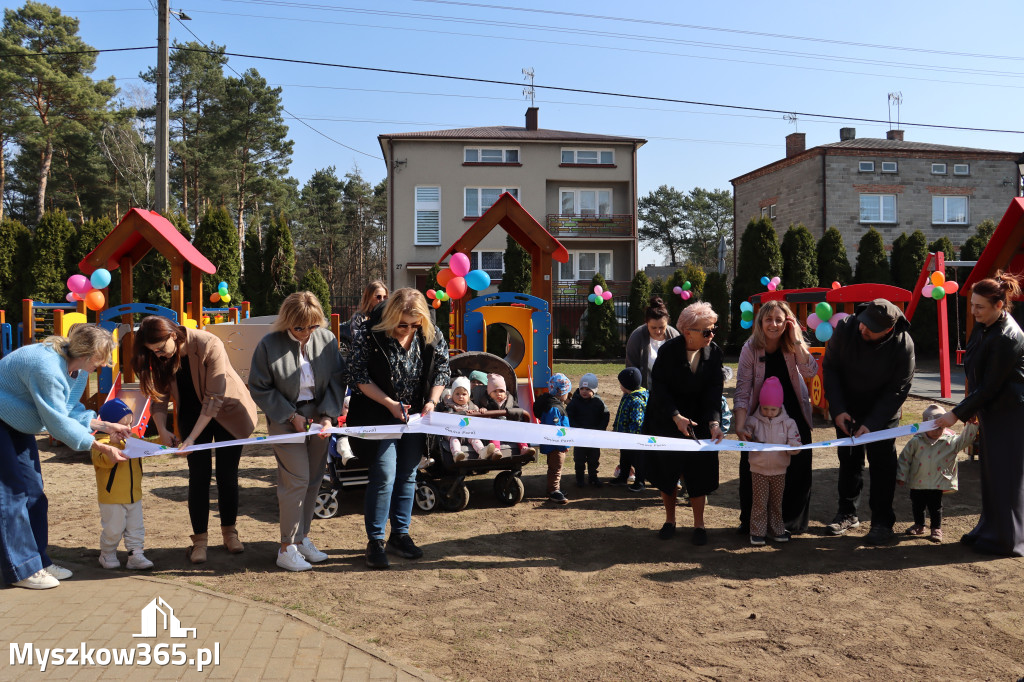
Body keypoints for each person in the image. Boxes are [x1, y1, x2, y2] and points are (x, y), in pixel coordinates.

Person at [0, 325, 130, 589]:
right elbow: (57, 422)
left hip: (16, 423)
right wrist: (101, 447)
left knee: (34, 493)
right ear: (87, 354)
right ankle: (22, 569)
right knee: (11, 495)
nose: (104, 365)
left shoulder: (76, 370)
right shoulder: (47, 367)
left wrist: (106, 426)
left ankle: (38, 561)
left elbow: (70, 409)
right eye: (102, 359)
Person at [133, 316, 258, 564]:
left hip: (227, 411)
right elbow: (159, 396)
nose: (158, 355)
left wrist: (190, 438)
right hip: (191, 414)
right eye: (152, 351)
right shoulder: (160, 356)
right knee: (198, 476)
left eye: (160, 349)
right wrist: (161, 427)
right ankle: (199, 540)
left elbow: (214, 399)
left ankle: (229, 533)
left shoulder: (209, 343)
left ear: (173, 336)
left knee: (227, 474)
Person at [347, 288, 450, 569]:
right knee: (384, 473)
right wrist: (390, 403)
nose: (407, 330)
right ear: (390, 317)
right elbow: (357, 375)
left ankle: (400, 535)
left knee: (408, 473)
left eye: (414, 325)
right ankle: (376, 540)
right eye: (402, 324)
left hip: (415, 416)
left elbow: (442, 368)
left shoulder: (431, 332)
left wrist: (432, 400)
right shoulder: (369, 333)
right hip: (378, 414)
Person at [248, 292, 345, 572]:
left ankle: (302, 539)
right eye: (299, 327)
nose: (305, 333)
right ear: (287, 322)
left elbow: (338, 380)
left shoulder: (327, 339)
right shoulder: (268, 344)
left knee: (314, 478)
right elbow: (259, 386)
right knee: (296, 479)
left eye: (312, 326)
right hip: (284, 415)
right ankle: (286, 547)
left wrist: (327, 417)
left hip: (319, 415)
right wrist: (290, 415)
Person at [934, 271, 1024, 556]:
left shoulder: (1008, 337)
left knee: (1007, 474)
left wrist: (956, 414)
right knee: (990, 472)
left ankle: (1008, 539)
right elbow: (976, 371)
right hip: (990, 409)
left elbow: (991, 385)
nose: (974, 312)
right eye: (972, 305)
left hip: (1011, 413)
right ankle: (989, 528)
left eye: (980, 307)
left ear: (999, 305)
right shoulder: (985, 325)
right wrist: (973, 408)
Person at [823, 298, 915, 545]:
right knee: (849, 459)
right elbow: (830, 368)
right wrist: (839, 409)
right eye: (863, 323)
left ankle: (882, 522)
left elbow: (899, 388)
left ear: (888, 330)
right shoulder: (845, 328)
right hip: (848, 409)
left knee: (882, 464)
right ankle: (847, 513)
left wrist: (874, 423)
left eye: (871, 328)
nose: (863, 329)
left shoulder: (903, 344)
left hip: (882, 413)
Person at [642, 301, 726, 545]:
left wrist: (713, 423)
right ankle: (670, 520)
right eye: (706, 330)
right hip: (667, 419)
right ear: (688, 332)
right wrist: (676, 416)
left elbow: (714, 391)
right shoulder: (668, 351)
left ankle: (699, 525)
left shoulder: (715, 353)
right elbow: (659, 389)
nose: (712, 334)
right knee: (667, 472)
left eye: (713, 329)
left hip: (699, 420)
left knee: (699, 473)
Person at [733, 300, 818, 535]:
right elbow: (742, 388)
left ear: (787, 322)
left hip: (793, 413)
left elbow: (811, 371)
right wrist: (740, 424)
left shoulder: (792, 344)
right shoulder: (750, 348)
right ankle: (751, 522)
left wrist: (797, 339)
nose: (773, 324)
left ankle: (789, 522)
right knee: (754, 468)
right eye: (768, 319)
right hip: (759, 416)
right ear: (760, 322)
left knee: (797, 467)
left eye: (779, 320)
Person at [898, 404, 978, 544]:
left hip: (937, 482)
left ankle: (936, 528)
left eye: (940, 428)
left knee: (935, 507)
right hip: (918, 481)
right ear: (924, 426)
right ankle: (919, 525)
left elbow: (965, 440)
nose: (936, 432)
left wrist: (971, 426)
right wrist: (901, 476)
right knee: (917, 505)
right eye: (932, 428)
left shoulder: (950, 442)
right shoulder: (916, 442)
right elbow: (905, 459)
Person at [91, 399, 155, 570]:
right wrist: (112, 444)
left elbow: (146, 448)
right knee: (113, 528)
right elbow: (103, 462)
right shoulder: (100, 443)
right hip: (112, 497)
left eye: (130, 423)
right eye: (123, 424)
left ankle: (136, 554)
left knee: (136, 528)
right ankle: (107, 553)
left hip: (134, 494)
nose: (128, 428)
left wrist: (164, 444)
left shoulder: (132, 438)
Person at [744, 378, 802, 546]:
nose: (769, 412)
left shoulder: (789, 423)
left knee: (776, 503)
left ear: (780, 406)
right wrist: (747, 436)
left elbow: (796, 444)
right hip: (758, 470)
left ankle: (776, 529)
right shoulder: (753, 421)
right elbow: (745, 438)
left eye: (773, 409)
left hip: (779, 470)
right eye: (765, 408)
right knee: (759, 503)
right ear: (760, 406)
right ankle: (757, 532)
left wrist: (793, 448)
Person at [625, 296, 680, 390]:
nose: (658, 331)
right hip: (644, 390)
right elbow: (631, 368)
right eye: (653, 328)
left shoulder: (674, 336)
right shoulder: (637, 337)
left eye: (662, 327)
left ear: (667, 322)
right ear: (646, 323)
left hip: (670, 391)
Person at [533, 373, 572, 504]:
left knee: (555, 467)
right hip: (556, 445)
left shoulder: (552, 403)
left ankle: (555, 488)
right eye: (567, 392)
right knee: (556, 467)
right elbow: (555, 430)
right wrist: (563, 445)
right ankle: (553, 491)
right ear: (561, 392)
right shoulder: (554, 408)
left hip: (556, 444)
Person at [566, 373, 609, 487]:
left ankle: (593, 477)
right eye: (582, 389)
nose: (584, 391)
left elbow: (605, 415)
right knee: (579, 459)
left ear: (594, 390)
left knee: (594, 459)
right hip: (579, 437)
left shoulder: (598, 402)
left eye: (588, 389)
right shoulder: (574, 402)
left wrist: (600, 429)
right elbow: (569, 416)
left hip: (593, 437)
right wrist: (575, 428)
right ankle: (580, 478)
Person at [476, 373, 534, 459]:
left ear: (505, 392)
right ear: (489, 393)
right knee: (493, 433)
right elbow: (481, 414)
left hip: (508, 427)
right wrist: (483, 410)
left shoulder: (510, 401)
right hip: (493, 428)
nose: (498, 394)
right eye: (494, 391)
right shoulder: (485, 402)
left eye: (501, 391)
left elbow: (517, 411)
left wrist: (514, 414)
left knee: (519, 429)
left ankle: (523, 447)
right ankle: (496, 450)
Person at [437, 376, 494, 461]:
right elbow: (442, 417)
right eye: (457, 394)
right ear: (452, 395)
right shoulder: (447, 405)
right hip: (453, 431)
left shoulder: (472, 406)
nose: (460, 396)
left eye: (464, 394)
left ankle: (482, 451)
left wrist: (482, 410)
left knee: (475, 439)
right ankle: (456, 453)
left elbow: (480, 415)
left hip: (468, 432)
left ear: (469, 396)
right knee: (454, 439)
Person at [609, 367, 648, 486]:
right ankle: (623, 477)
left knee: (637, 460)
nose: (620, 386)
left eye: (621, 383)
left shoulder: (636, 400)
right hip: (624, 436)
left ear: (627, 385)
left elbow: (636, 421)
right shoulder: (627, 395)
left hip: (633, 439)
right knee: (625, 458)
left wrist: (633, 438)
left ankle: (640, 482)